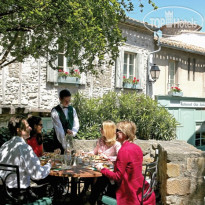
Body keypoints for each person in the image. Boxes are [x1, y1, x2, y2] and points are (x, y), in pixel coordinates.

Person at [96, 121, 156, 205]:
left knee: (99, 193)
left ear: (124, 133)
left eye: (117, 130)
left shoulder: (124, 150)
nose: (115, 132)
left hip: (128, 193)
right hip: (141, 190)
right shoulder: (136, 147)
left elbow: (117, 177)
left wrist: (102, 169)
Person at [0, 116, 53, 203]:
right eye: (27, 126)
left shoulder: (4, 146)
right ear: (19, 130)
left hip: (4, 195)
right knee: (49, 190)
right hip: (20, 196)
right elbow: (37, 174)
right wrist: (49, 164)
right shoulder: (25, 148)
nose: (30, 128)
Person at [87, 120, 121, 205]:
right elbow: (94, 152)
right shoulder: (101, 140)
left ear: (107, 130)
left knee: (101, 179)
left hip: (109, 170)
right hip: (98, 167)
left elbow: (120, 158)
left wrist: (108, 157)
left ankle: (92, 200)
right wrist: (87, 154)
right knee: (87, 176)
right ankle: (89, 197)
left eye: (102, 128)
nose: (100, 129)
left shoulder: (116, 144)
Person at [51, 89, 79, 153]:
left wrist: (73, 132)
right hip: (59, 141)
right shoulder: (55, 111)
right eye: (65, 101)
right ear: (60, 99)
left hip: (70, 140)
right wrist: (65, 147)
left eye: (69, 101)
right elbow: (59, 129)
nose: (68, 103)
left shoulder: (72, 110)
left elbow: (76, 123)